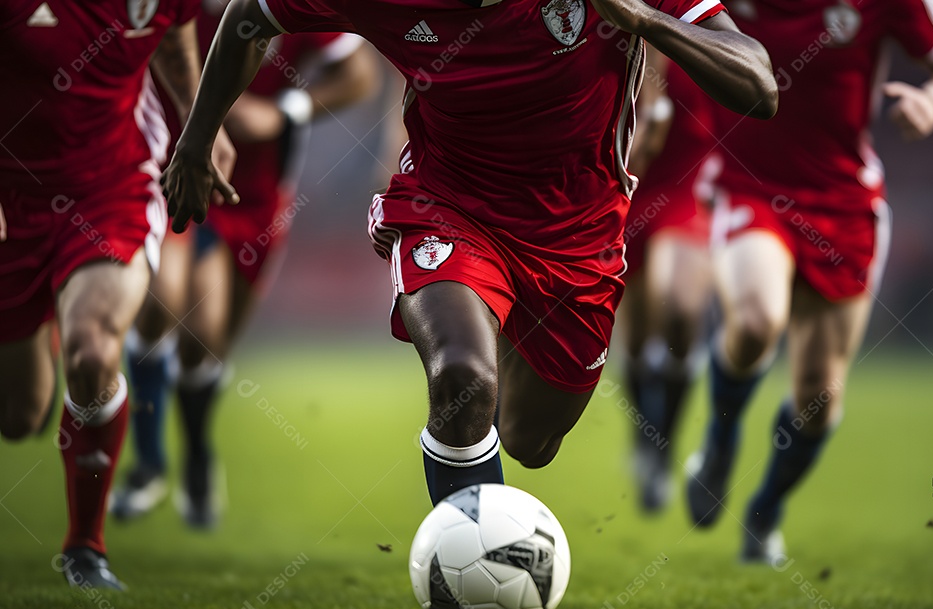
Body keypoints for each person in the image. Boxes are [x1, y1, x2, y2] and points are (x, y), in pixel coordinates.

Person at [162, 0, 778, 507]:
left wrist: (645, 22)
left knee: (531, 440)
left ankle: (502, 344)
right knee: (463, 377)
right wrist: (197, 136)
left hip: (577, 236)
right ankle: (476, 572)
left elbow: (759, 85)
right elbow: (250, 16)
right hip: (447, 205)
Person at [685, 0, 933, 562]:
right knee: (757, 319)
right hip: (750, 186)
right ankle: (720, 444)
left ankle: (765, 512)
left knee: (819, 395)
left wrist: (932, 101)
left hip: (843, 204)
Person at [110, 6, 377, 527]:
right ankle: (146, 462)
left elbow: (359, 73)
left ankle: (198, 455)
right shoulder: (165, 8)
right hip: (168, 173)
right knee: (163, 300)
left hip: (255, 196)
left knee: (206, 344)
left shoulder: (281, 6)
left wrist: (285, 111)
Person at [0, 0, 235, 588]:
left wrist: (202, 126)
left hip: (111, 188)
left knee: (93, 352)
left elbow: (177, 48)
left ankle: (85, 549)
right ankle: (51, 309)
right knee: (20, 414)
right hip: (10, 196)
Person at [621, 53, 718, 512]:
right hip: (623, 188)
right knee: (637, 339)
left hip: (685, 186)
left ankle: (665, 444)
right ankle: (645, 435)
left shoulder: (704, 24)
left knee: (680, 310)